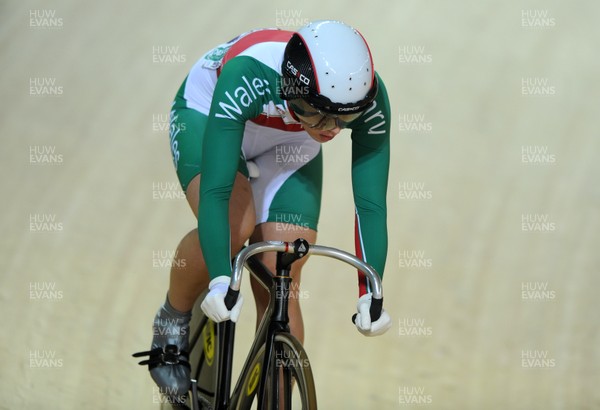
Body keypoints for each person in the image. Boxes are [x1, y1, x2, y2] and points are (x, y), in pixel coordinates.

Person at [140, 20, 392, 397]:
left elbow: (370, 205)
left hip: (289, 143)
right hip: (210, 112)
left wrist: (371, 289)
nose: (332, 129)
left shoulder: (368, 98)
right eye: (318, 112)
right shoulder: (250, 72)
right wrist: (222, 278)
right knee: (233, 227)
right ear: (292, 89)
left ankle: (278, 396)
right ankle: (171, 319)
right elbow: (216, 191)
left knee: (283, 268)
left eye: (345, 117)